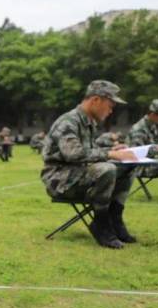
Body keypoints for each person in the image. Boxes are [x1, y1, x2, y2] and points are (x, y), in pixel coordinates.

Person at [41, 80, 138, 248]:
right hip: (59, 180)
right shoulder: (68, 122)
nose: (111, 110)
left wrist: (113, 149)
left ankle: (115, 219)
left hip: (77, 174)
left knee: (128, 166)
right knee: (106, 169)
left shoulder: (87, 122)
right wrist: (110, 153)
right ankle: (101, 223)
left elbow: (89, 151)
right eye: (110, 105)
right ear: (95, 100)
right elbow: (74, 154)